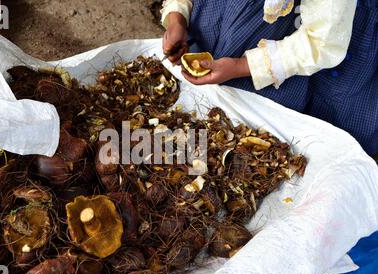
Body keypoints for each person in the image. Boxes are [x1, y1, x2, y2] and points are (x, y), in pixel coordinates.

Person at [161, 0, 378, 157]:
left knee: (251, 147)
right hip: (220, 15)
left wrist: (240, 66)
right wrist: (176, 17)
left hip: (289, 37)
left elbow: (320, 41)